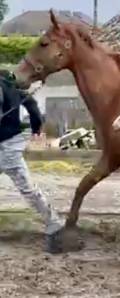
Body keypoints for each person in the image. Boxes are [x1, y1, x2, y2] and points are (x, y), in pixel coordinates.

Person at [0, 69, 64, 253]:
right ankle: (54, 224)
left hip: (6, 146)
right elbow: (34, 109)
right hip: (13, 142)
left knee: (27, 188)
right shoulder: (15, 88)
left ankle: (55, 225)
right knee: (28, 189)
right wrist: (36, 131)